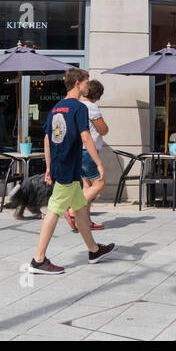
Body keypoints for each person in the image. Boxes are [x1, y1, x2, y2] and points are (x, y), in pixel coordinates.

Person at [28, 68, 115, 274]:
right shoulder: (79, 107)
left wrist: (49, 166)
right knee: (54, 210)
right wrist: (99, 164)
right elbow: (86, 137)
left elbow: (47, 139)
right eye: (86, 82)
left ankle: (94, 250)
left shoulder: (57, 108)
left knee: (80, 207)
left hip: (64, 166)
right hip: (68, 168)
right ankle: (38, 260)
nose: (87, 86)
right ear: (78, 83)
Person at [68, 78, 109, 232]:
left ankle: (85, 221)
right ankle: (72, 211)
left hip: (77, 151)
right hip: (88, 152)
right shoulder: (91, 107)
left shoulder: (76, 105)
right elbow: (103, 129)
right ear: (97, 94)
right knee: (99, 183)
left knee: (87, 186)